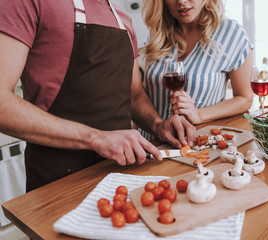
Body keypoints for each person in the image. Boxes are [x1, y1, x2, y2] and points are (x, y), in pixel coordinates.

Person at [0, 0, 195, 192]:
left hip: (121, 174)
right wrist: (96, 139)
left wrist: (158, 125)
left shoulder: (123, 18)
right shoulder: (27, 3)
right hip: (59, 182)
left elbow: (134, 95)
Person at [140, 0, 254, 140]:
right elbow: (144, 93)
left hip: (198, 145)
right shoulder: (157, 32)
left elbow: (244, 98)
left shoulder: (231, 33)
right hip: (150, 145)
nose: (181, 1)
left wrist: (198, 114)